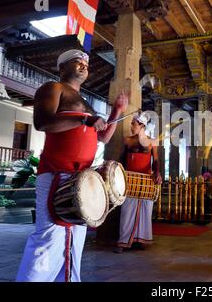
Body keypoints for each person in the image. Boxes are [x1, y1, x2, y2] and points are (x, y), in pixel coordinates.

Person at [16, 49, 128, 281]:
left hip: (80, 178)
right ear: (62, 68)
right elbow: (42, 122)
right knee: (48, 239)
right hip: (56, 173)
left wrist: (116, 111)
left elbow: (103, 137)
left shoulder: (85, 101)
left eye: (86, 64)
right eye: (78, 62)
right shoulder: (52, 89)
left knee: (75, 242)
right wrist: (84, 119)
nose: (84, 66)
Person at [114, 112, 162, 253]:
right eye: (131, 124)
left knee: (145, 210)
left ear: (142, 126)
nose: (131, 126)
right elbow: (122, 159)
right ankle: (123, 242)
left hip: (146, 180)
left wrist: (157, 173)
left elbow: (156, 161)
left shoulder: (152, 142)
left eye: (133, 124)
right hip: (130, 179)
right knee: (127, 210)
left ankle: (141, 240)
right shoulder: (128, 140)